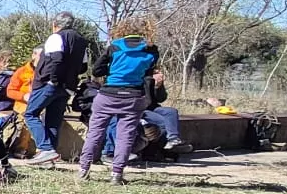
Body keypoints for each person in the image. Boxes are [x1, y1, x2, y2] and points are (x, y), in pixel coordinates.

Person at [78, 20, 161, 184]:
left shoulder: (115, 46)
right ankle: (117, 174)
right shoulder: (151, 50)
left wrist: (112, 70)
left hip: (108, 94)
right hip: (133, 96)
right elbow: (148, 72)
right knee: (125, 136)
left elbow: (96, 70)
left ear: (123, 30)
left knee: (95, 133)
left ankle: (83, 169)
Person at [21, 12, 86, 165]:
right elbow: (83, 66)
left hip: (50, 85)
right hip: (68, 87)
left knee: (31, 114)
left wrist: (52, 80)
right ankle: (49, 157)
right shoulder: (81, 41)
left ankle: (45, 149)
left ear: (55, 25)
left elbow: (56, 59)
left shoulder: (56, 37)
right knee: (53, 121)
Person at [142, 70, 191, 155]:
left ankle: (173, 139)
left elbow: (161, 98)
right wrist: (150, 80)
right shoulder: (137, 75)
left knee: (171, 112)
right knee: (164, 122)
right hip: (140, 109)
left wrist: (158, 86)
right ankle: (161, 150)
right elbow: (144, 100)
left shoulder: (152, 75)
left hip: (152, 107)